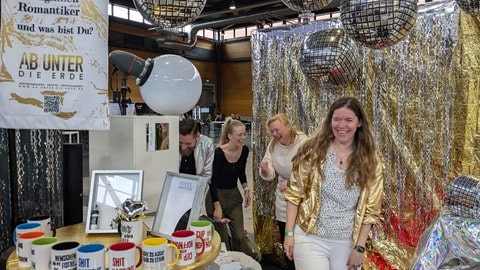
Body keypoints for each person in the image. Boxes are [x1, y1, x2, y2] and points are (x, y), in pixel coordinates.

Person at [283, 97, 384, 270]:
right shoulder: (312, 151)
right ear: (330, 121)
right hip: (309, 238)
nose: (341, 125)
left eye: (348, 120)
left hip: (346, 242)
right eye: (336, 119)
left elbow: (371, 209)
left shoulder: (370, 161)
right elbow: (294, 195)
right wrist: (289, 234)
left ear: (359, 123)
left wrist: (359, 248)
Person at [259, 113, 308, 270]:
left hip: (302, 199)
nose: (274, 134)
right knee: (287, 240)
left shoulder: (303, 141)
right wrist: (266, 170)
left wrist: (293, 181)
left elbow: (311, 170)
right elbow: (270, 168)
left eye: (277, 130)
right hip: (282, 198)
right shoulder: (273, 144)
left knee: (301, 243)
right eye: (272, 131)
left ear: (288, 126)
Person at [207, 118, 254, 257]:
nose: (243, 138)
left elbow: (241, 172)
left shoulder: (244, 150)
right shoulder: (219, 153)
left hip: (233, 196)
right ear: (230, 136)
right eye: (239, 135)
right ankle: (226, 262)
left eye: (244, 134)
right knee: (223, 239)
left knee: (239, 235)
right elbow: (212, 181)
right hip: (216, 197)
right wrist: (217, 206)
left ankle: (243, 260)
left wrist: (246, 189)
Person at [178, 118, 215, 228]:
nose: (184, 147)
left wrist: (196, 195)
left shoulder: (207, 144)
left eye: (188, 143)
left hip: (196, 189)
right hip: (175, 190)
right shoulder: (170, 140)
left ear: (197, 136)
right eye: (180, 143)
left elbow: (207, 174)